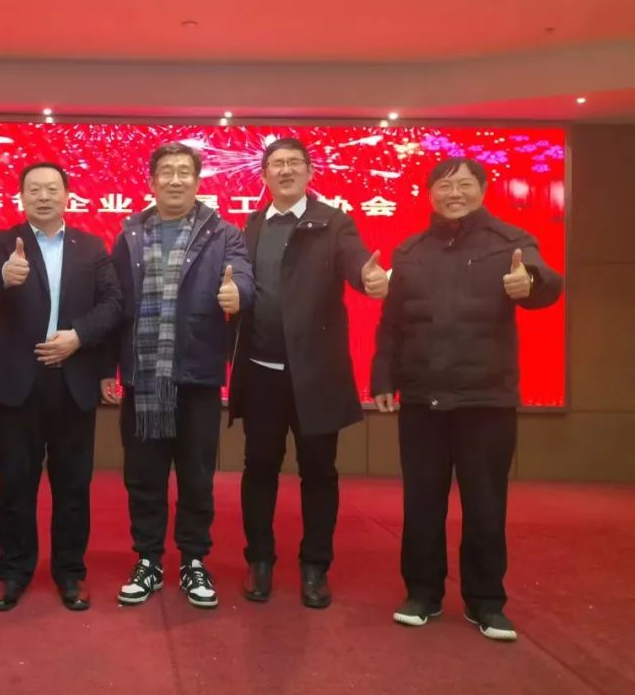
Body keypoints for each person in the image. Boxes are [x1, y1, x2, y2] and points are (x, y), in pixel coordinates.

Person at [371, 157, 563, 641]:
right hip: (423, 398)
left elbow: (545, 280)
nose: (453, 194)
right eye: (443, 186)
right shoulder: (410, 251)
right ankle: (422, 593)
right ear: (430, 194)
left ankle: (486, 602)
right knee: (422, 503)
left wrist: (530, 283)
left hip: (486, 399)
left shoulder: (510, 242)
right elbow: (392, 324)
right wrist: (383, 379)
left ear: (482, 188)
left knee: (485, 505)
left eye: (462, 185)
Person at [228, 138, 388, 608]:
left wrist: (368, 278)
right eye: (276, 164)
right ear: (263, 175)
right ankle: (259, 561)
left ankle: (315, 566)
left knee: (319, 472)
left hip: (315, 375)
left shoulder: (334, 222)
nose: (285, 171)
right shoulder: (251, 225)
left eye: (293, 163)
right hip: (261, 372)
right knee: (259, 468)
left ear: (310, 172)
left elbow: (356, 261)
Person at [104, 142, 254, 609]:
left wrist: (237, 292)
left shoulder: (223, 234)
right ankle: (148, 559)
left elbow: (242, 276)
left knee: (196, 477)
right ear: (152, 182)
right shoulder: (130, 234)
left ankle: (193, 560)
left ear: (197, 180)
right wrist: (109, 368)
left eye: (183, 172)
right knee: (143, 476)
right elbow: (114, 304)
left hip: (197, 376)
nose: (174, 180)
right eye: (165, 172)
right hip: (143, 377)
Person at [0, 162, 121, 612]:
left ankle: (70, 572)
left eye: (51, 189)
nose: (43, 196)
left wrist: (78, 336)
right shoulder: (2, 241)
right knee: (15, 484)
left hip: (72, 379)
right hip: (18, 381)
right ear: (21, 197)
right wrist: (4, 277)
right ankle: (13, 572)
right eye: (34, 189)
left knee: (73, 485)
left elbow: (113, 302)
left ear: (66, 196)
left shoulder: (91, 246)